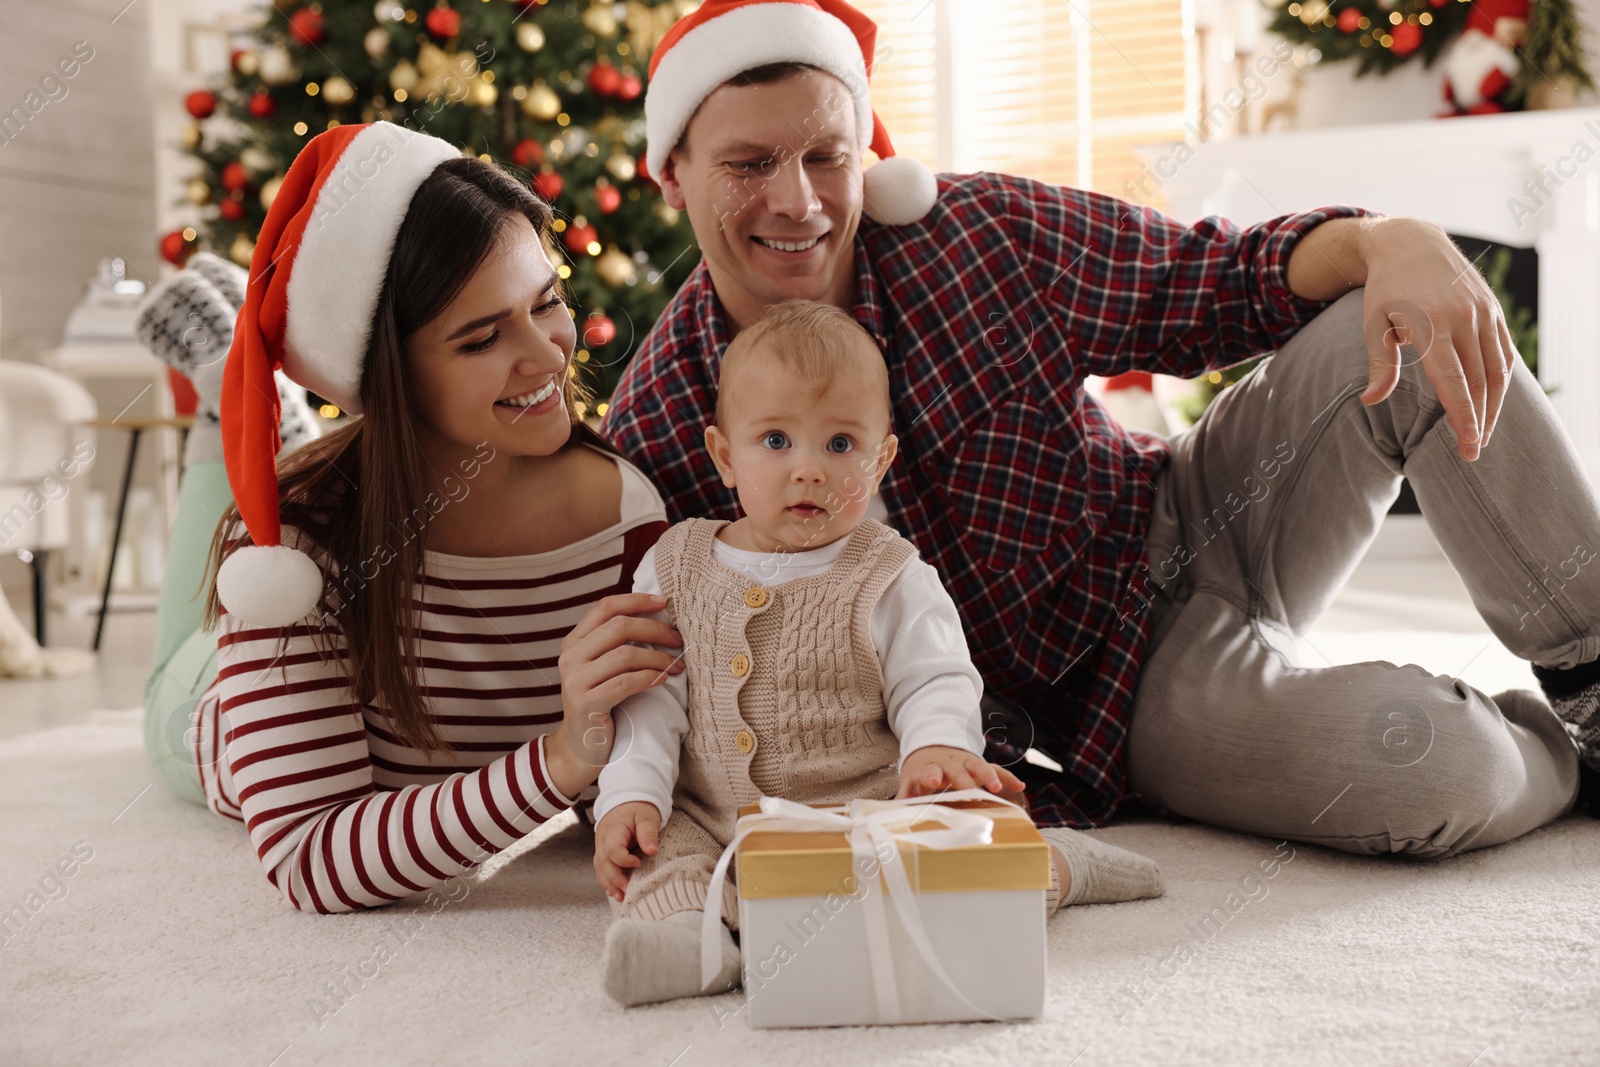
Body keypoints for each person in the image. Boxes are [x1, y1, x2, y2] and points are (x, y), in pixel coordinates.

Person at [599, 0, 1600, 853]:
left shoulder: (977, 230)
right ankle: (1558, 758)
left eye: (826, 155)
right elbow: (686, 683)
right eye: (749, 162)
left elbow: (1209, 280)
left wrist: (1395, 237)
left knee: (1413, 313)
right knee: (1436, 771)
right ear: (671, 173)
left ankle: (1594, 682)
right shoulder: (658, 421)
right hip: (1131, 696)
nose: (798, 200)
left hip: (1197, 507)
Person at [137, 121, 689, 913]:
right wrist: (559, 759)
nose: (546, 357)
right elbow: (309, 857)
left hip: (365, 488)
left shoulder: (626, 510)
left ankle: (276, 421)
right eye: (481, 338)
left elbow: (641, 751)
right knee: (174, 666)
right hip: (208, 714)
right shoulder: (294, 551)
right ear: (387, 373)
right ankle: (223, 390)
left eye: (548, 302)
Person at [587, 300, 1164, 1007]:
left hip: (863, 814)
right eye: (774, 440)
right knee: (662, 854)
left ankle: (1058, 865)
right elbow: (649, 699)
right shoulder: (675, 566)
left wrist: (935, 752)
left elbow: (935, 678)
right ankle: (686, 941)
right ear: (723, 455)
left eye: (839, 445)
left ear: (882, 458)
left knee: (949, 875)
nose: (808, 471)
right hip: (714, 816)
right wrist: (631, 796)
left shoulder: (889, 573)